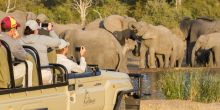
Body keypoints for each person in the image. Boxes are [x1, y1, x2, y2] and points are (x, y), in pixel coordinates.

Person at [20, 20, 60, 84]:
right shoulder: (42, 38)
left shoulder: (19, 41)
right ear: (36, 30)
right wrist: (51, 31)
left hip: (27, 74)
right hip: (42, 72)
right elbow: (58, 42)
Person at [0, 16, 33, 87]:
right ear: (12, 30)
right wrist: (16, 40)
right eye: (16, 28)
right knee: (28, 64)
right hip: (6, 75)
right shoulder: (12, 42)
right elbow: (24, 56)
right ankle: (27, 89)